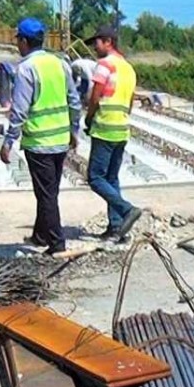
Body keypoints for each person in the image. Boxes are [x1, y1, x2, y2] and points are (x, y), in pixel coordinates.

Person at [0, 17, 81, 255]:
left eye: (18, 40)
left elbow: (20, 109)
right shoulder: (60, 63)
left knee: (46, 195)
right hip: (60, 141)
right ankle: (40, 234)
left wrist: (8, 142)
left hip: (39, 143)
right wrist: (73, 131)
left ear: (24, 41)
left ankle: (56, 243)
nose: (17, 45)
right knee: (49, 191)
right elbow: (74, 100)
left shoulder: (26, 68)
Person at [83, 26, 143, 241]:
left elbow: (95, 97)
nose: (94, 47)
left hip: (105, 128)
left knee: (95, 177)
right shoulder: (128, 68)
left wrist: (89, 119)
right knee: (112, 178)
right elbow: (129, 102)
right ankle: (117, 227)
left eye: (96, 43)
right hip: (121, 129)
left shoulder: (105, 65)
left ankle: (127, 210)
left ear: (108, 42)